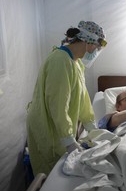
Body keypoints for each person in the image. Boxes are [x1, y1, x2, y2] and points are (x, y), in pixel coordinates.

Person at [26, 21, 107, 175]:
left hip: (58, 123)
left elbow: (82, 100)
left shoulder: (76, 63)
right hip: (46, 124)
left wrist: (91, 127)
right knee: (49, 167)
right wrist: (69, 140)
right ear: (86, 40)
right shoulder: (60, 61)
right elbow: (58, 104)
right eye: (96, 47)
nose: (95, 51)